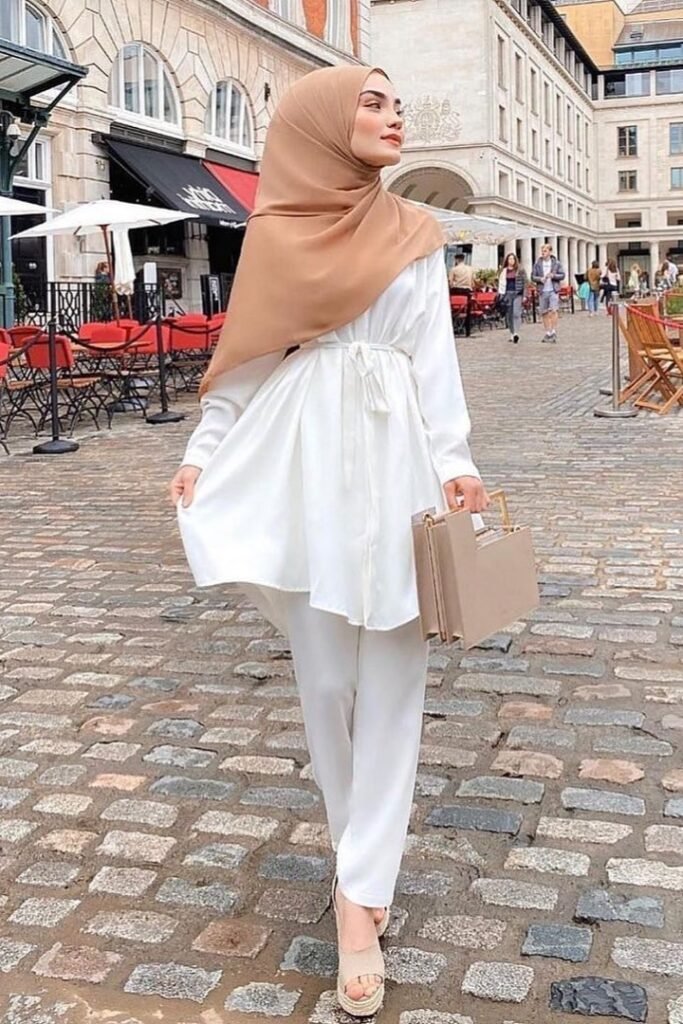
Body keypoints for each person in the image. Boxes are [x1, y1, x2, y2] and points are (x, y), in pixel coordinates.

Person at [168, 66, 488, 1019]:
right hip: (300, 465)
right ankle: (362, 867)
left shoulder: (414, 234)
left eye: (399, 102)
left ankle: (358, 901)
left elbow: (431, 362)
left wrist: (456, 463)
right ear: (319, 122)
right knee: (327, 683)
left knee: (392, 677)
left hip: (395, 463)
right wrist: (201, 452)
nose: (395, 115)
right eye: (374, 101)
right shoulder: (275, 232)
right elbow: (248, 358)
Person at [531, 243, 565, 342]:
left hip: (553, 289)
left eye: (545, 251)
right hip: (542, 290)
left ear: (550, 252)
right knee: (544, 312)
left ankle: (553, 331)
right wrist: (540, 279)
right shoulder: (537, 263)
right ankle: (547, 332)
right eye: (542, 251)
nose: (543, 253)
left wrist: (553, 276)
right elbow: (533, 276)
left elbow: (562, 275)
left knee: (554, 310)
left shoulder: (556, 263)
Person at [498, 252, 526, 343]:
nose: (511, 261)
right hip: (507, 294)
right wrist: (501, 294)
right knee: (509, 315)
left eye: (513, 259)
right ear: (507, 260)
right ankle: (512, 332)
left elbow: (525, 283)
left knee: (516, 313)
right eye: (509, 259)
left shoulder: (520, 270)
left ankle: (516, 333)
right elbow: (501, 283)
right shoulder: (504, 271)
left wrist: (525, 295)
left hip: (517, 293)